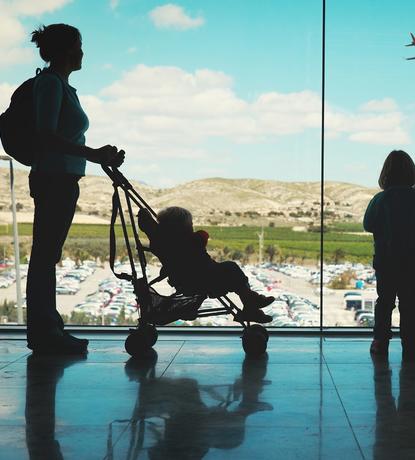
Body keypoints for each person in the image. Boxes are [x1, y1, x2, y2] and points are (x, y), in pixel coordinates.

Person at [27, 24, 125, 355]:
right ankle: (45, 333)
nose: (83, 51)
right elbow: (46, 135)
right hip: (53, 179)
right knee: (44, 257)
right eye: (79, 45)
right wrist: (94, 154)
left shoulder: (64, 87)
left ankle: (49, 329)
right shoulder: (51, 84)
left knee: (47, 256)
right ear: (67, 50)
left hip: (62, 178)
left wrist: (99, 156)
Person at [364, 150, 415, 360]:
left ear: (385, 174)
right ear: (412, 174)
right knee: (409, 303)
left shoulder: (380, 199)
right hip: (412, 260)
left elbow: (368, 224)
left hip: (385, 259)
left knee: (384, 302)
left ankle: (380, 341)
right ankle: (410, 343)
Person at [149, 206, 274, 323]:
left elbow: (151, 231)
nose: (192, 227)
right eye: (190, 225)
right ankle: (251, 303)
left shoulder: (165, 246)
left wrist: (148, 220)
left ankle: (251, 304)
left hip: (189, 282)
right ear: (182, 227)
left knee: (231, 271)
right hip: (204, 280)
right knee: (231, 268)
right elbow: (203, 235)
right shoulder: (191, 241)